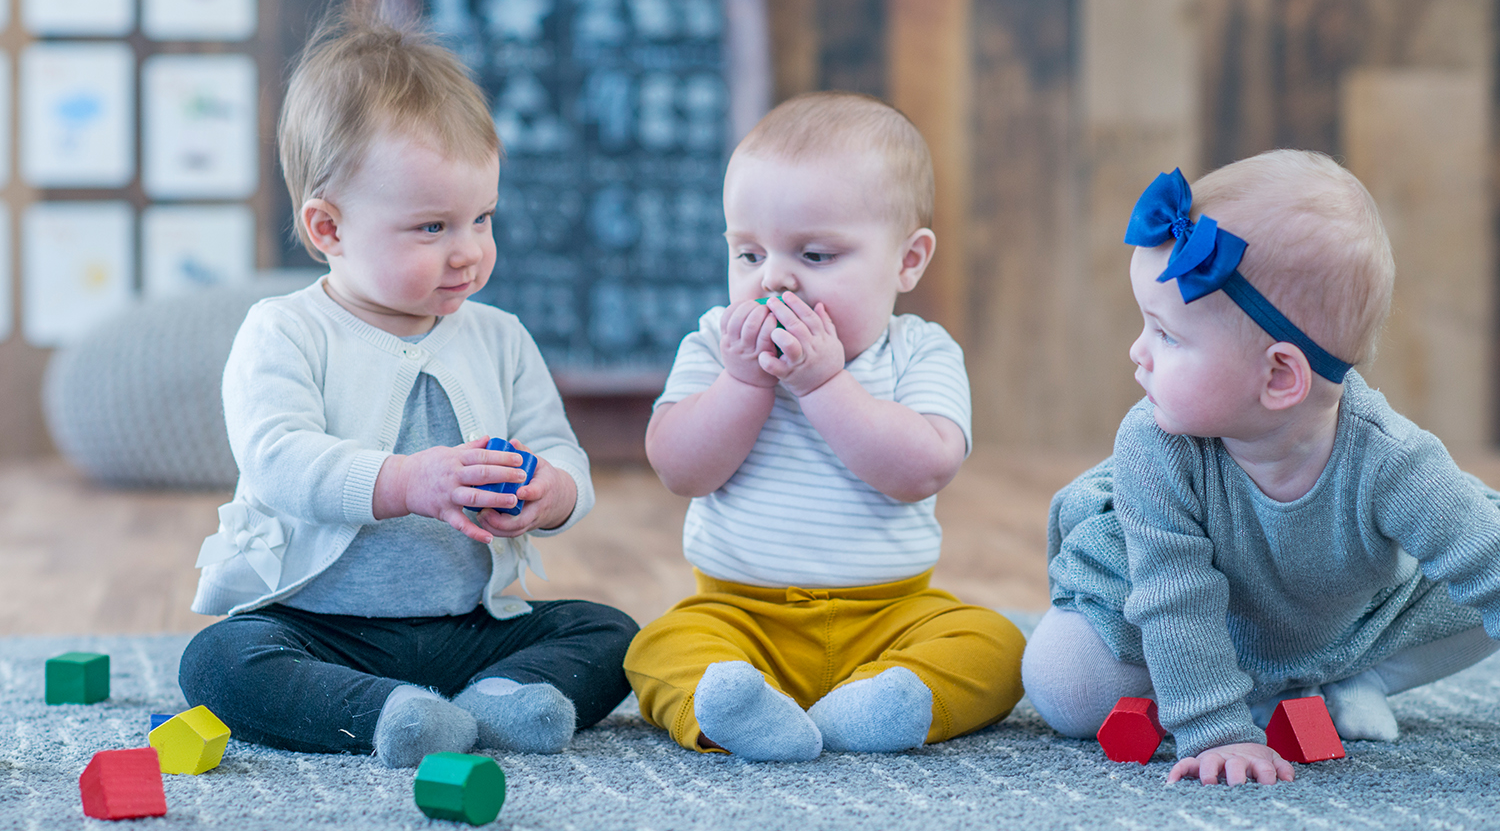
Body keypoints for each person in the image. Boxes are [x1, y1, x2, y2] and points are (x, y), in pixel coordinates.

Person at [177, 13, 637, 768]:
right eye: (431, 228)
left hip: (468, 625)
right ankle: (389, 711)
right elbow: (277, 458)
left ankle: (498, 699)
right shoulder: (285, 331)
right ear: (328, 227)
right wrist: (408, 481)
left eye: (482, 218)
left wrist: (548, 492)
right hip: (320, 624)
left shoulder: (499, 336)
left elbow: (560, 451)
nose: (469, 253)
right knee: (218, 662)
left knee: (610, 632)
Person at [1022, 150, 1500, 786]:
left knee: (1476, 598)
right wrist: (1218, 730)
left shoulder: (1392, 459)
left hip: (1342, 627)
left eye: (1166, 335)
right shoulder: (1155, 443)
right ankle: (1247, 696)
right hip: (1180, 617)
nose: (1136, 352)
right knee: (1063, 678)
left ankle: (1346, 683)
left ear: (1279, 376)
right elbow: (1173, 595)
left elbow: (1483, 554)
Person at [624, 91, 1027, 762]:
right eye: (748, 255)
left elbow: (920, 470)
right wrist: (745, 383)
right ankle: (738, 709)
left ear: (908, 260)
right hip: (739, 615)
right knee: (656, 648)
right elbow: (678, 467)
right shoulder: (716, 346)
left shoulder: (921, 352)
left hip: (892, 617)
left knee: (1001, 645)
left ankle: (877, 704)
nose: (774, 280)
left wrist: (824, 384)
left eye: (814, 256)